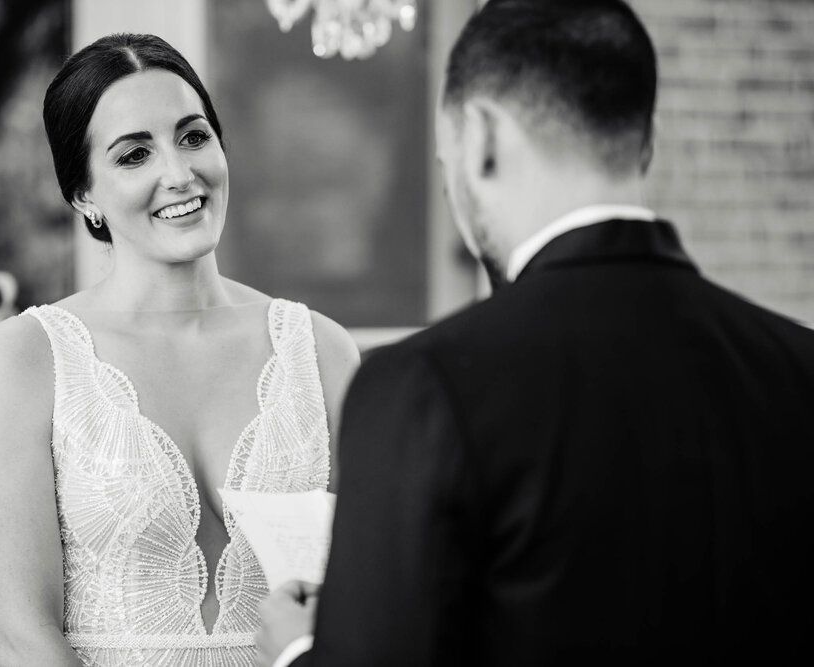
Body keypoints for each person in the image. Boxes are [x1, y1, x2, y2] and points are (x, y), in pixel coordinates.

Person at [256, 0, 814, 665]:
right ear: (647, 140)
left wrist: (300, 653)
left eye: (444, 162)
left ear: (482, 138)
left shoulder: (422, 385)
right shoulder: (798, 366)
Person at [0, 33, 359, 667]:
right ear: (82, 193)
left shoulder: (323, 352)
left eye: (194, 137)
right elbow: (20, 633)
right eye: (134, 154)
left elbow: (368, 596)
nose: (179, 173)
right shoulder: (18, 362)